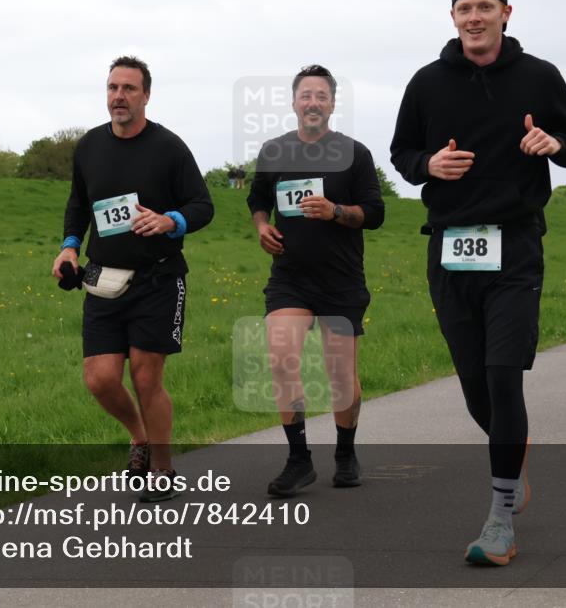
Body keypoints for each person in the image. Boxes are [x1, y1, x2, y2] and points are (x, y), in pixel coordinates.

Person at [390, 0, 566, 565]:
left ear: (506, 12)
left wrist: (554, 145)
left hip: (515, 247)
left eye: (484, 6)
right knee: (477, 387)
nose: (473, 16)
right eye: (463, 7)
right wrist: (431, 163)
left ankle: (500, 517)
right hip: (450, 249)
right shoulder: (426, 83)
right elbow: (402, 154)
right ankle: (513, 456)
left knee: (504, 376)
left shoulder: (540, 77)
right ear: (452, 17)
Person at [52, 55, 214, 503]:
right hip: (104, 279)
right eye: (112, 88)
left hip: (158, 280)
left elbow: (204, 205)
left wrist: (170, 221)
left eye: (128, 88)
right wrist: (69, 246)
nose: (118, 96)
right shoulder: (88, 147)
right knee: (99, 378)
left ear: (146, 95)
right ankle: (138, 437)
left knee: (146, 378)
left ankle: (162, 470)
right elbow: (78, 204)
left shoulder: (169, 148)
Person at [248, 65, 385, 497]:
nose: (313, 103)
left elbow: (375, 213)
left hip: (341, 280)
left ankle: (345, 453)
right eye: (305, 95)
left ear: (332, 103)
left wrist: (336, 212)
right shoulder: (274, 152)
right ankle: (298, 459)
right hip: (290, 277)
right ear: (293, 103)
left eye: (321, 96)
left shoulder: (354, 154)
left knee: (340, 376)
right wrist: (262, 226)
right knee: (280, 357)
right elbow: (257, 198)